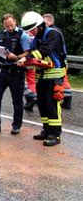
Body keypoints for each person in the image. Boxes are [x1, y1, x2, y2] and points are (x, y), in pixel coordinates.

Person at [17, 11, 67, 146]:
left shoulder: (52, 34)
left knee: (52, 104)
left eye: (32, 30)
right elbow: (33, 54)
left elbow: (44, 51)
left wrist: (27, 58)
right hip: (41, 76)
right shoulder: (36, 38)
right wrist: (24, 61)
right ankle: (46, 130)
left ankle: (55, 135)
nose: (30, 33)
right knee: (43, 105)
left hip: (54, 75)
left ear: (39, 25)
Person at [0, 14, 31, 135]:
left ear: (15, 21)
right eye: (6, 25)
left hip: (16, 71)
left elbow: (28, 53)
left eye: (11, 25)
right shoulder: (0, 34)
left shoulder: (23, 35)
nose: (9, 27)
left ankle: (16, 126)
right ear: (3, 25)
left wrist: (17, 57)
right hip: (2, 70)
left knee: (17, 101)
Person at [42, 13, 72, 109]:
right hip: (61, 59)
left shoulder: (53, 31)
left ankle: (66, 100)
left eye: (44, 21)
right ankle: (66, 99)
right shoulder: (56, 30)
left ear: (49, 20)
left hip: (59, 61)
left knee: (62, 81)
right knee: (64, 80)